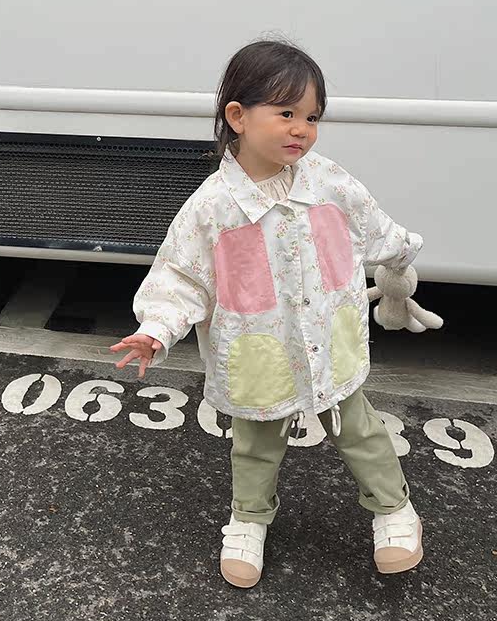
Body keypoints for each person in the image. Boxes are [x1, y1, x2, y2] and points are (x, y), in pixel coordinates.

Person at [109, 38, 432, 588]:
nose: (301, 129)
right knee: (254, 444)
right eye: (286, 113)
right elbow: (181, 277)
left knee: (360, 428)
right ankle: (249, 518)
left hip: (329, 342)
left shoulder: (329, 182)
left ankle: (394, 509)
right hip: (259, 353)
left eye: (312, 117)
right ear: (238, 116)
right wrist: (156, 329)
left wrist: (402, 257)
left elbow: (372, 225)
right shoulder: (212, 207)